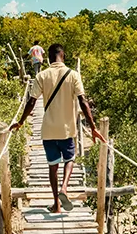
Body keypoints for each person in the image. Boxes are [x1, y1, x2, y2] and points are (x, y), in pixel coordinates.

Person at [10, 44, 105, 213]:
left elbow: (31, 102)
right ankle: (64, 187)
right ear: (63, 56)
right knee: (70, 159)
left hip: (48, 130)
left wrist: (21, 121)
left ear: (48, 58)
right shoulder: (73, 75)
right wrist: (93, 127)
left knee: (52, 166)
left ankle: (56, 205)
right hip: (66, 130)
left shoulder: (41, 75)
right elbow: (83, 102)